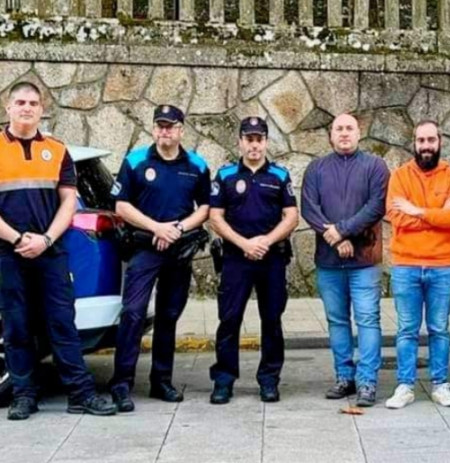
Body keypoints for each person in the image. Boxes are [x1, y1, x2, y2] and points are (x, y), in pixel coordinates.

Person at [0, 81, 117, 420]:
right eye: (20, 102)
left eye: (33, 103)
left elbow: (68, 201)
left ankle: (80, 393)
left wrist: (46, 239)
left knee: (62, 324)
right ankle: (24, 394)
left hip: (51, 252)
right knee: (16, 326)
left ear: (41, 110)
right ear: (8, 107)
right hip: (9, 253)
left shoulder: (56, 150)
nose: (26, 108)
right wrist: (19, 240)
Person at [108, 104, 210, 412]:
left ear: (181, 130)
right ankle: (121, 383)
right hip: (144, 247)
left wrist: (177, 229)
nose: (165, 131)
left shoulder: (197, 165)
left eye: (171, 126)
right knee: (133, 313)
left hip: (178, 250)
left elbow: (205, 208)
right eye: (160, 125)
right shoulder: (136, 160)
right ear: (154, 129)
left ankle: (161, 380)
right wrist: (157, 228)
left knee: (169, 315)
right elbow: (121, 206)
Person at [207, 117, 298, 404]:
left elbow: (292, 216)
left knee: (271, 321)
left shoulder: (280, 176)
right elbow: (214, 217)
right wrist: (244, 243)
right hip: (236, 258)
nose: (254, 144)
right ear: (240, 142)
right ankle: (224, 381)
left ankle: (269, 380)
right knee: (229, 320)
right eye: (249, 138)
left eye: (259, 139)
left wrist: (265, 242)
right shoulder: (225, 175)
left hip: (271, 259)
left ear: (266, 142)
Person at [301, 113, 390, 407]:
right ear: (330, 134)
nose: (344, 133)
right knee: (337, 321)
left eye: (349, 128)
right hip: (328, 262)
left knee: (367, 320)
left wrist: (342, 230)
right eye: (338, 129)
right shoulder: (316, 169)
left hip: (364, 259)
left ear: (359, 133)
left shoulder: (375, 167)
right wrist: (337, 238)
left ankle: (367, 382)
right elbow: (309, 208)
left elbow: (376, 206)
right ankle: (344, 377)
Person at [384, 121, 450, 409]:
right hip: (406, 264)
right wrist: (436, 215)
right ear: (414, 143)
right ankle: (405, 385)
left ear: (439, 141)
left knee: (439, 328)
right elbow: (396, 216)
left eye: (431, 140)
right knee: (407, 328)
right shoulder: (399, 176)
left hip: (442, 265)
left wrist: (417, 211)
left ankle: (440, 384)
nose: (426, 145)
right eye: (421, 140)